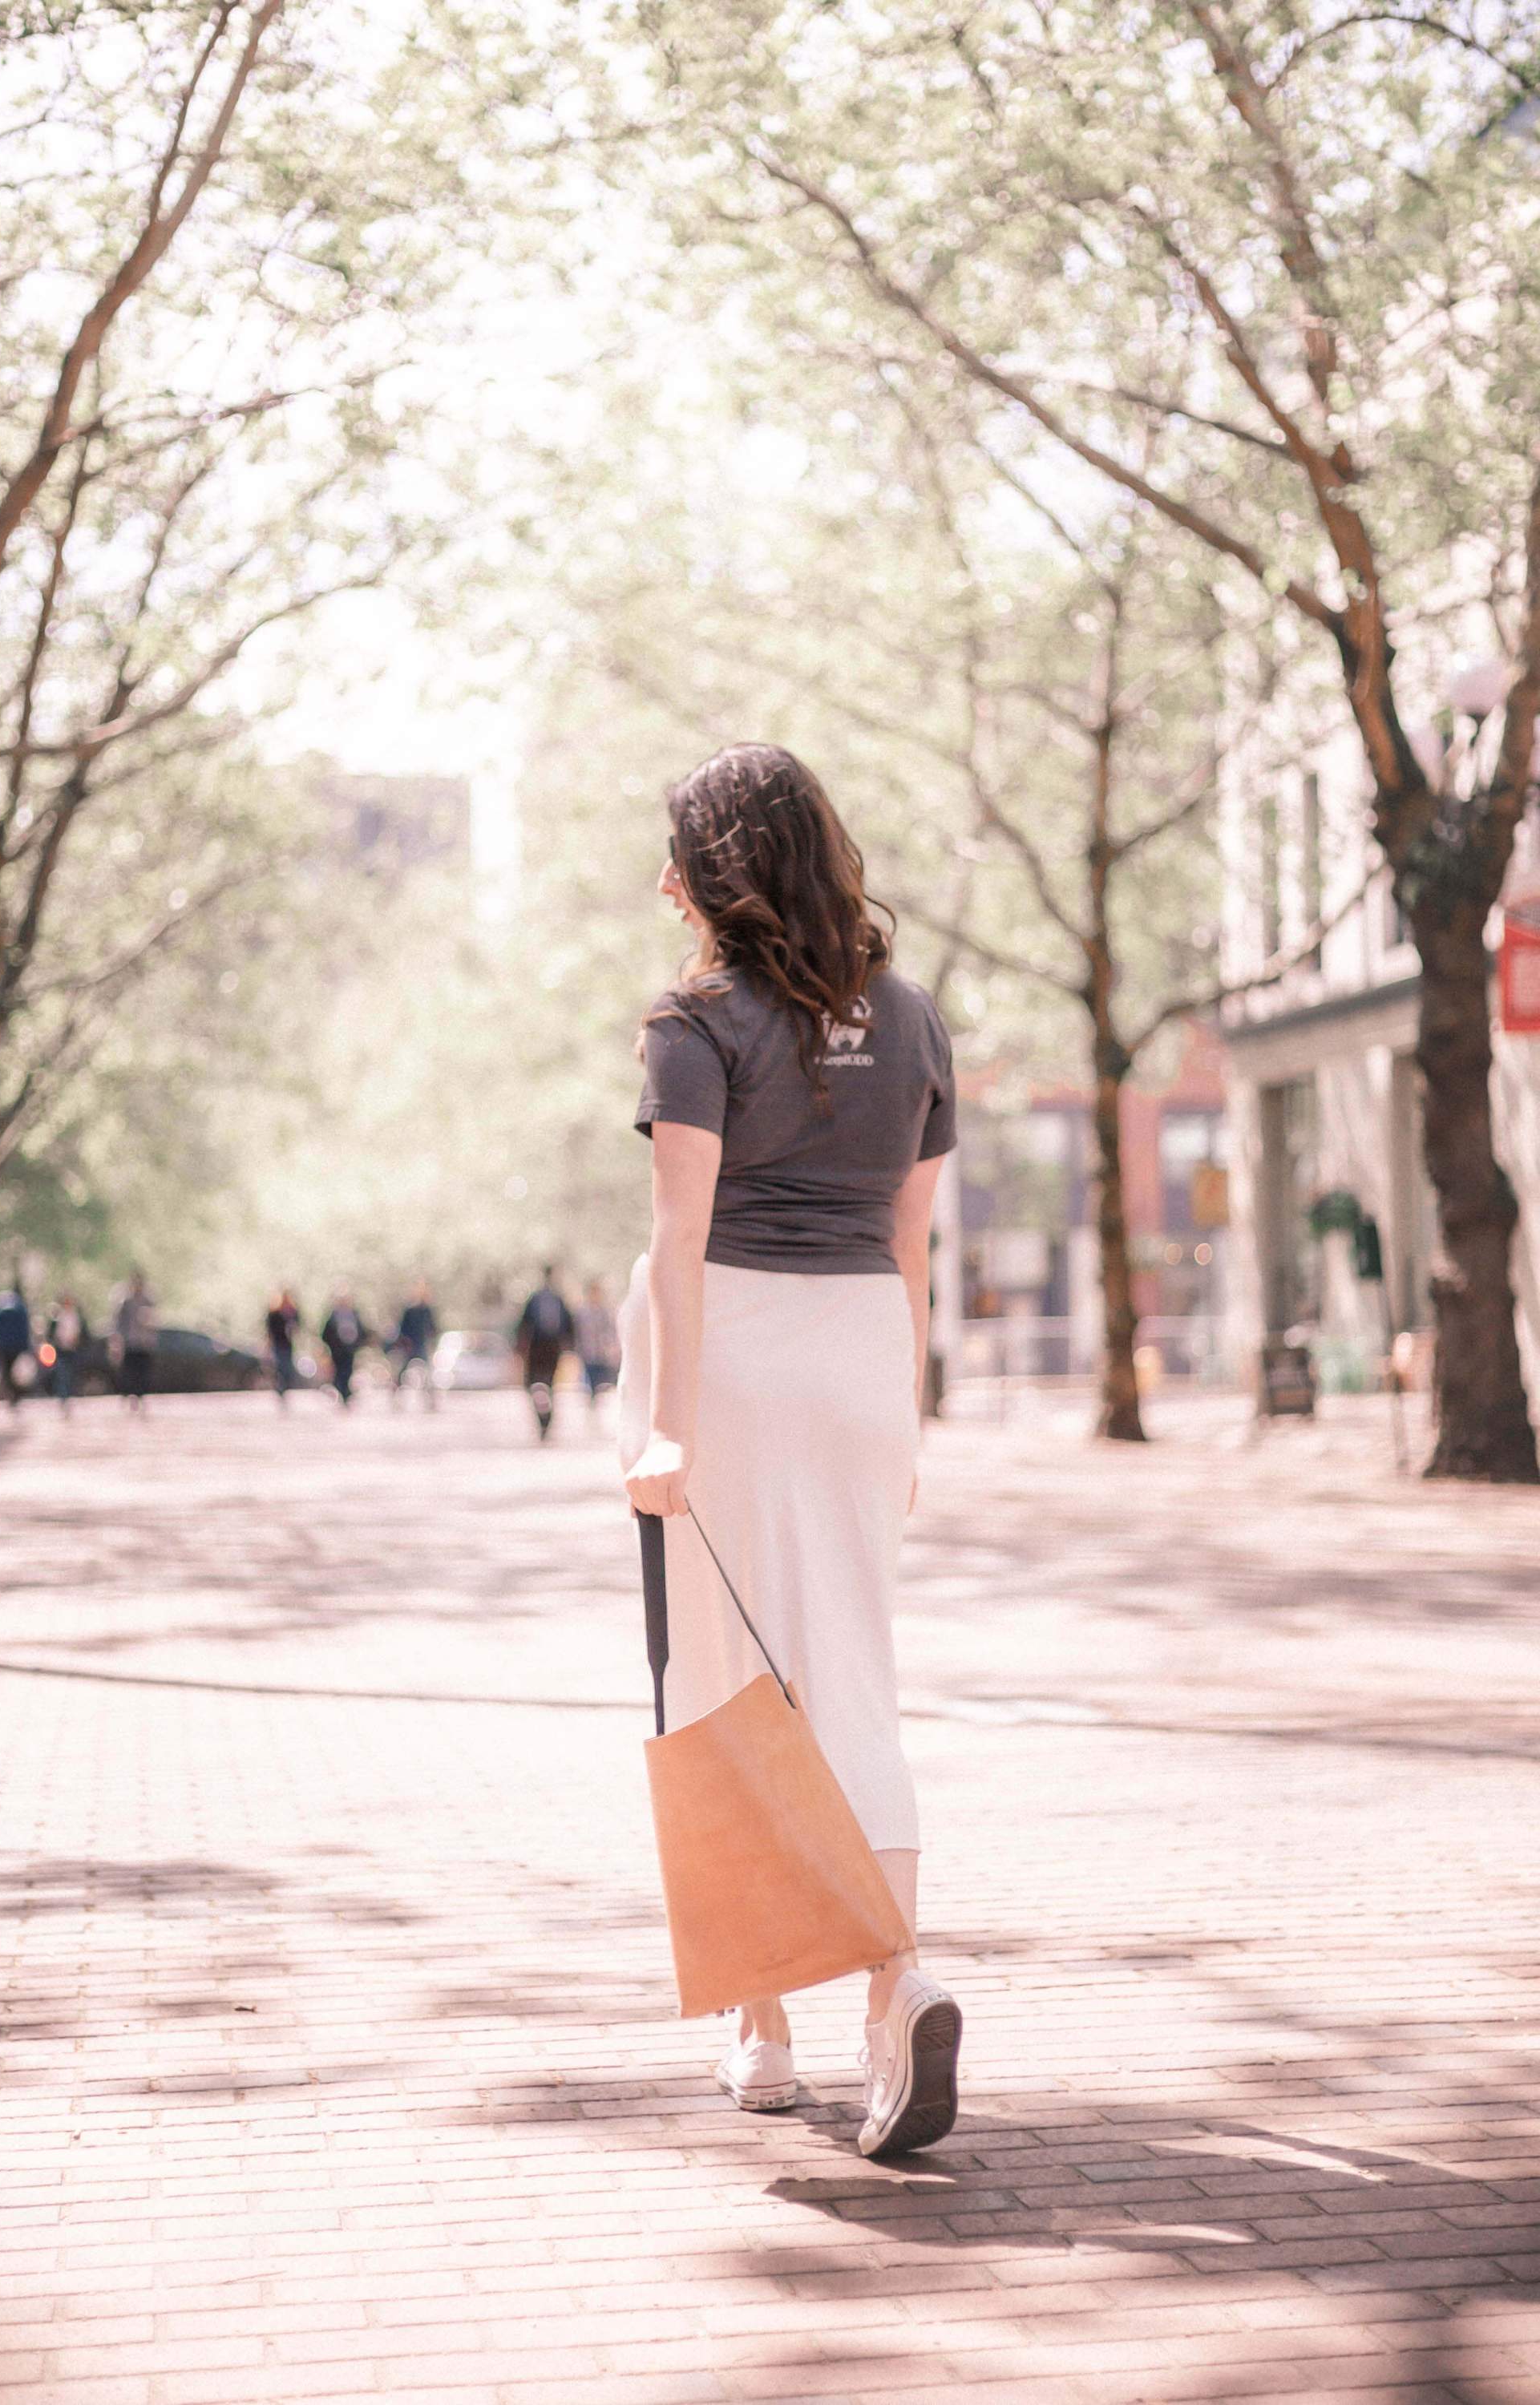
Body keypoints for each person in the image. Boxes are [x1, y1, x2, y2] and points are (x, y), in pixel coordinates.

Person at [620, 742, 961, 2160]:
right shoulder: (917, 1014)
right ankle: (899, 1980)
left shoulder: (694, 1019)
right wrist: (913, 1412)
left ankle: (763, 2029)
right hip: (867, 1353)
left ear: (712, 874)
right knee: (854, 1683)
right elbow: (913, 1242)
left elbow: (678, 1241)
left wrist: (662, 1423)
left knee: (727, 1681)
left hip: (744, 1355)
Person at [513, 1267, 574, 1441]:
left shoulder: (559, 1300)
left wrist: (568, 1347)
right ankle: (542, 1419)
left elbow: (568, 1327)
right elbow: (524, 1325)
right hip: (536, 1347)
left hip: (552, 1348)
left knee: (549, 1385)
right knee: (533, 1385)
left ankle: (546, 1421)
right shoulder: (534, 1300)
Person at [112, 1272, 158, 1412]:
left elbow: (154, 1321)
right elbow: (119, 1323)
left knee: (143, 1373)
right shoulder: (126, 1302)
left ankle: (141, 1397)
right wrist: (117, 1342)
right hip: (130, 1343)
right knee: (129, 1372)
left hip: (144, 1343)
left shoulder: (148, 1300)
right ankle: (130, 1398)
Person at [390, 1279, 439, 1409]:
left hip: (422, 1345)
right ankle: (396, 1399)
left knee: (427, 1374)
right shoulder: (409, 1310)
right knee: (402, 1373)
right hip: (409, 1346)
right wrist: (404, 1343)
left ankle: (430, 1401)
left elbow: (433, 1329)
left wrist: (432, 1342)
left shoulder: (427, 1310)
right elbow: (403, 1329)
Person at [574, 1278, 620, 1408]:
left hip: (601, 1352)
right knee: (589, 1379)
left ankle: (597, 1403)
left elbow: (610, 1331)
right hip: (587, 1351)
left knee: (602, 1381)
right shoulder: (582, 1312)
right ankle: (592, 1401)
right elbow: (577, 1332)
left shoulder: (604, 1312)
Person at [320, 1287, 368, 1408]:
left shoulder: (354, 1314)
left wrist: (359, 1342)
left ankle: (346, 1394)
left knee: (348, 1371)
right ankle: (342, 1392)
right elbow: (325, 1334)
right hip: (337, 1349)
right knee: (339, 1372)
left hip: (350, 1349)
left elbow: (362, 1330)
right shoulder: (332, 1316)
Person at [0, 1284, 33, 1408]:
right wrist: (26, 1347)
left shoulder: (2, 1308)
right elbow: (25, 1330)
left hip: (3, 1346)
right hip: (18, 1346)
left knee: (6, 1371)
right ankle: (16, 1395)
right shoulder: (22, 1309)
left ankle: (10, 1395)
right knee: (16, 1373)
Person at [46, 1291, 85, 1411]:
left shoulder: (76, 1317)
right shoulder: (58, 1317)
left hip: (72, 1350)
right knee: (62, 1374)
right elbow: (52, 1334)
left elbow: (82, 1333)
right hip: (61, 1350)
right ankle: (63, 1398)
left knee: (70, 1375)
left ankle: (68, 1397)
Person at [265, 1290, 300, 1407]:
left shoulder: (293, 1312)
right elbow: (269, 1331)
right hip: (278, 1345)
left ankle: (285, 1388)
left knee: (288, 1369)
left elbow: (298, 1328)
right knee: (280, 1367)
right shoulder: (274, 1313)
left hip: (289, 1345)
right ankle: (280, 1389)